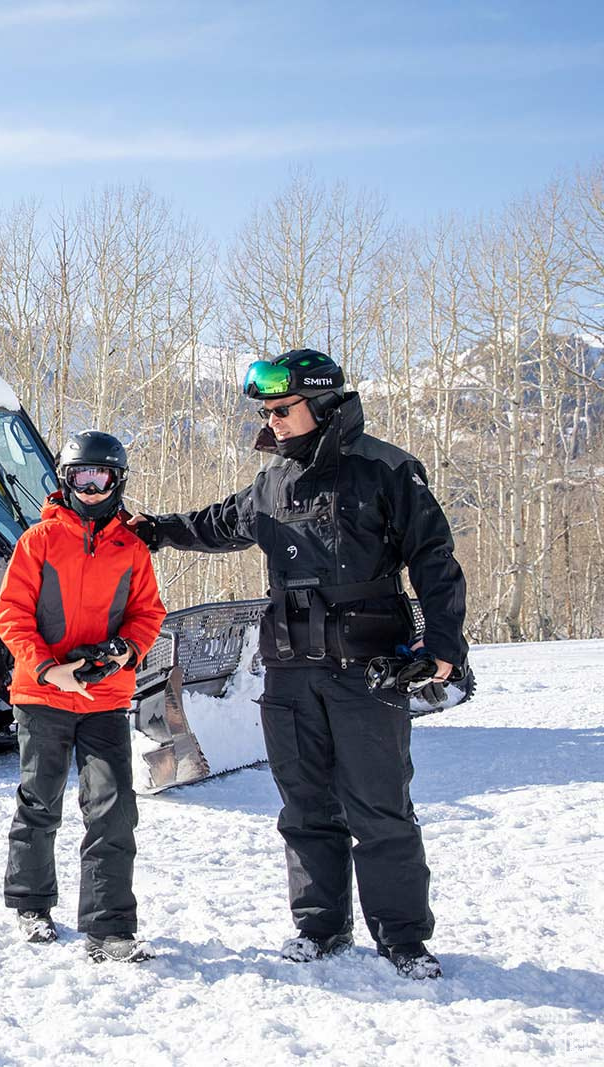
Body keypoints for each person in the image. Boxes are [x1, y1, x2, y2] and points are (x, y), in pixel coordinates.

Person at [130, 348, 468, 980]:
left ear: (322, 402)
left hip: (368, 665)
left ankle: (403, 937)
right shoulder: (273, 482)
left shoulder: (387, 470)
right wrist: (157, 529)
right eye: (267, 411)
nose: (273, 421)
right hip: (288, 666)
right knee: (305, 805)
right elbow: (220, 522)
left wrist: (444, 645)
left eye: (283, 409)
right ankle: (320, 925)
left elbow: (435, 562)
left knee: (379, 805)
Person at [0, 431, 167, 962]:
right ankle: (31, 905)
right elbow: (12, 614)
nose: (91, 489)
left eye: (102, 479)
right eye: (80, 478)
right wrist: (49, 669)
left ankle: (109, 926)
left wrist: (124, 652)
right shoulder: (38, 541)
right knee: (39, 799)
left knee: (113, 808)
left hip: (104, 698)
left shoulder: (131, 549)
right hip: (43, 694)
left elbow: (148, 614)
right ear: (66, 481)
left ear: (117, 483)